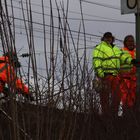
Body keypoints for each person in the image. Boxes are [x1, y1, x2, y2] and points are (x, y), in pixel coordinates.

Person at [92, 32, 133, 116]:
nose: (108, 39)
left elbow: (123, 57)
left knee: (117, 95)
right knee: (105, 96)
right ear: (104, 38)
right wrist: (100, 73)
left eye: (110, 37)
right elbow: (97, 60)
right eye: (107, 37)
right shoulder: (99, 47)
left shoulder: (116, 49)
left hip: (115, 75)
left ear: (112, 38)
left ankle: (113, 113)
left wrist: (131, 60)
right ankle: (106, 114)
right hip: (105, 75)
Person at [120, 35, 136, 114]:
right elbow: (123, 58)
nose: (131, 43)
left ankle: (133, 113)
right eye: (129, 41)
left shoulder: (136, 51)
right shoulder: (122, 51)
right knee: (126, 96)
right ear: (125, 42)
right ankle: (127, 113)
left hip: (135, 79)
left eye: (132, 41)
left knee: (134, 97)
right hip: (125, 78)